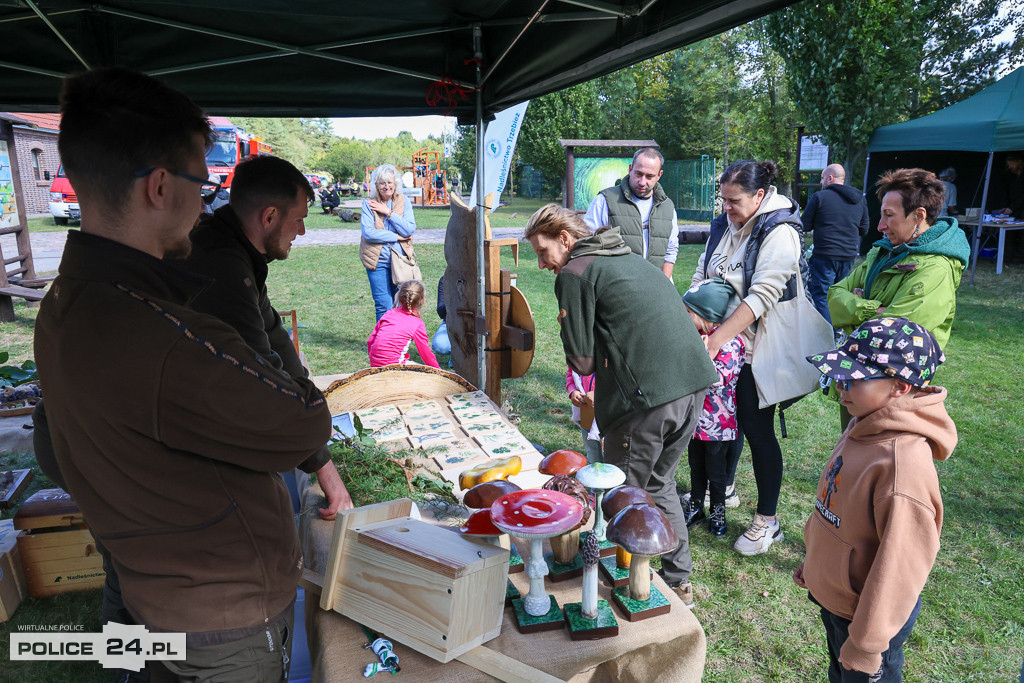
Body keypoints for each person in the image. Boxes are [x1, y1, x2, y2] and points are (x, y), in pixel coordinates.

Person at [34, 67, 333, 681]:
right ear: (161, 187)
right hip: (220, 619)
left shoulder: (65, 303)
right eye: (202, 182)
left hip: (155, 591)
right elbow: (303, 424)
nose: (207, 200)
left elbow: (51, 447)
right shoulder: (160, 330)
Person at [525, 203, 717, 608]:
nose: (542, 264)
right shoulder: (625, 254)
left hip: (647, 400)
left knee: (622, 496)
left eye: (543, 253)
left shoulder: (576, 273)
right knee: (659, 485)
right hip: (693, 385)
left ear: (565, 239)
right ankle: (678, 581)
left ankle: (625, 586)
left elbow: (583, 361)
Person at [186, 154, 352, 517]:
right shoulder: (223, 265)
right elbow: (265, 375)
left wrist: (311, 399)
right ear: (270, 217)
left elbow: (275, 335)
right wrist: (325, 468)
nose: (302, 232)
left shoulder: (235, 250)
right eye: (299, 221)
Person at [796, 317, 955, 682]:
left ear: (899, 386)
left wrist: (867, 644)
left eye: (854, 378)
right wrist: (816, 562)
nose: (840, 385)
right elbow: (833, 502)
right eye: (840, 374)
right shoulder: (863, 421)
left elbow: (900, 567)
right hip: (839, 601)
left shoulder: (902, 466)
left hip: (867, 618)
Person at [692, 159, 804, 556]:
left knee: (756, 431)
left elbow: (761, 296)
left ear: (759, 195)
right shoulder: (730, 222)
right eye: (723, 200)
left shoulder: (780, 232)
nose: (727, 208)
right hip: (728, 349)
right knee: (725, 422)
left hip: (760, 352)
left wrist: (715, 339)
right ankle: (726, 488)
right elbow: (705, 273)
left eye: (734, 200)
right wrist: (694, 314)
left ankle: (767, 521)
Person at [680, 278, 744, 538]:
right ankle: (696, 506)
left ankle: (718, 510)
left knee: (716, 474)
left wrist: (701, 354)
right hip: (695, 421)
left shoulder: (731, 343)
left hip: (719, 425)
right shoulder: (695, 337)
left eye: (688, 313)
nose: (684, 318)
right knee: (696, 466)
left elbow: (718, 378)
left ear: (705, 316)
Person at [583, 147, 679, 279]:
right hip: (615, 287)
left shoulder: (667, 207)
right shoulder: (604, 201)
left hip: (655, 287)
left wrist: (664, 283)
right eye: (638, 174)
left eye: (649, 176)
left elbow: (671, 250)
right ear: (630, 169)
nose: (642, 182)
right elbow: (588, 244)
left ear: (659, 175)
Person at [801, 163, 870, 325]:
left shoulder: (820, 197)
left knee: (820, 295)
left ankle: (827, 335)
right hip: (848, 256)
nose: (821, 182)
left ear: (830, 178)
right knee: (840, 295)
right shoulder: (860, 199)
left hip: (824, 256)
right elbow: (864, 229)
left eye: (822, 178)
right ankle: (838, 329)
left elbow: (804, 225)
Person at [361, 164, 417, 320]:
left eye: (389, 182)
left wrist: (388, 212)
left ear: (395, 183)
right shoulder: (369, 204)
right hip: (377, 261)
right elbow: (369, 233)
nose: (386, 187)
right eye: (382, 183)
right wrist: (396, 237)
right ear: (376, 185)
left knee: (402, 304)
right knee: (383, 305)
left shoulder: (403, 201)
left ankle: (400, 341)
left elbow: (409, 229)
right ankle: (384, 343)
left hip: (400, 260)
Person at [366, 279, 441, 368]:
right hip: (395, 366)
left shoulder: (389, 313)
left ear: (398, 296)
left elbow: (371, 340)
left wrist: (375, 363)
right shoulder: (417, 323)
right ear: (422, 301)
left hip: (375, 364)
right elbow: (425, 352)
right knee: (426, 374)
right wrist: (438, 372)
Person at [991, 152, 1024, 263]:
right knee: (1008, 234)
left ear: (1019, 162)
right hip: (1013, 210)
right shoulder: (1010, 176)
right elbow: (1006, 192)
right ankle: (1005, 258)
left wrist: (1013, 207)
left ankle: (1018, 259)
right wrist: (1006, 207)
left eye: (1012, 164)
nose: (1010, 167)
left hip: (1020, 209)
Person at [565, 368, 600, 463]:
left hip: (608, 417)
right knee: (593, 453)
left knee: (609, 459)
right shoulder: (580, 355)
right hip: (587, 414)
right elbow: (571, 373)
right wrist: (573, 390)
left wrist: (599, 395)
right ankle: (592, 472)